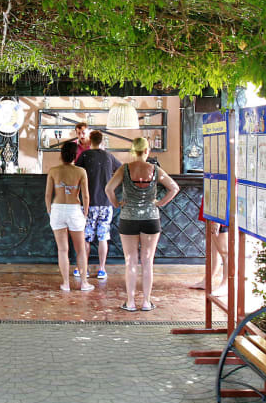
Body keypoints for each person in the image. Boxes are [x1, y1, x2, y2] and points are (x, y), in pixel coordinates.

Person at [105, 137, 180, 311]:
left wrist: (116, 204)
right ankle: (146, 302)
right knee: (147, 261)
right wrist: (160, 203)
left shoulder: (124, 169)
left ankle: (130, 302)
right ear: (147, 151)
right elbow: (174, 188)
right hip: (151, 218)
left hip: (128, 218)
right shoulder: (155, 169)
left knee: (130, 260)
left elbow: (108, 189)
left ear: (133, 151)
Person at [75, 130, 122, 279]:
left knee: (86, 237)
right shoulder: (109, 156)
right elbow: (122, 169)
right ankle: (102, 269)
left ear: (90, 141)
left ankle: (84, 269)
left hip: (88, 203)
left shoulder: (85, 155)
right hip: (106, 203)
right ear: (102, 141)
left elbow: (75, 172)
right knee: (103, 237)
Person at [45, 140, 91, 291]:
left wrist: (49, 211)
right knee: (80, 250)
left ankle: (66, 284)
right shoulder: (81, 172)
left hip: (57, 209)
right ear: (75, 155)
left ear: (61, 154)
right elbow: (85, 196)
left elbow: (48, 195)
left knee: (62, 250)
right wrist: (85, 213)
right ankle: (84, 283)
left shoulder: (53, 171)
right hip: (74, 210)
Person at [192, 198, 228, 291]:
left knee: (225, 252)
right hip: (214, 210)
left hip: (220, 212)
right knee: (215, 251)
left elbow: (225, 193)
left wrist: (217, 220)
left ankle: (226, 284)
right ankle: (208, 280)